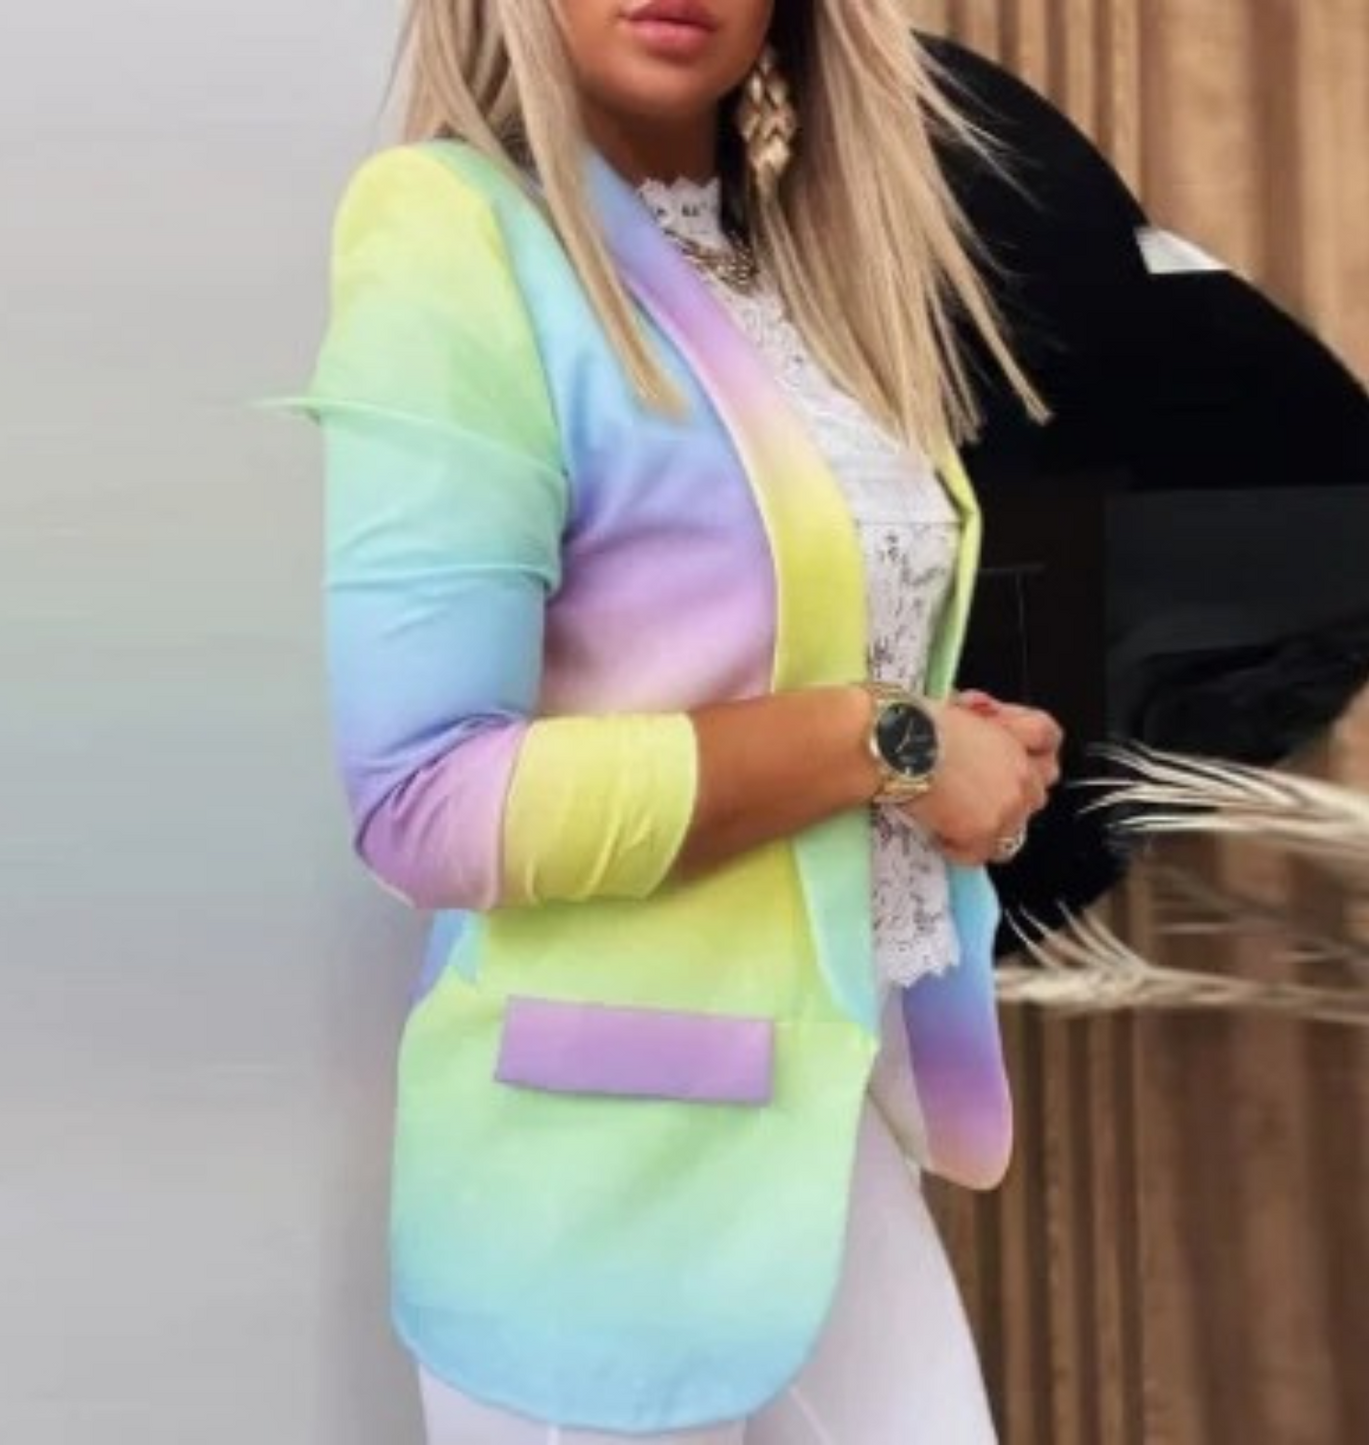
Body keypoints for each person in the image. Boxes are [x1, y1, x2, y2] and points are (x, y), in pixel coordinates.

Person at [284, 2, 1064, 1440]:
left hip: (820, 1120)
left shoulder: (797, 273)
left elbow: (763, 654)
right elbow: (428, 806)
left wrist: (951, 746)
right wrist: (889, 745)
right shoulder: (454, 231)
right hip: (599, 1187)